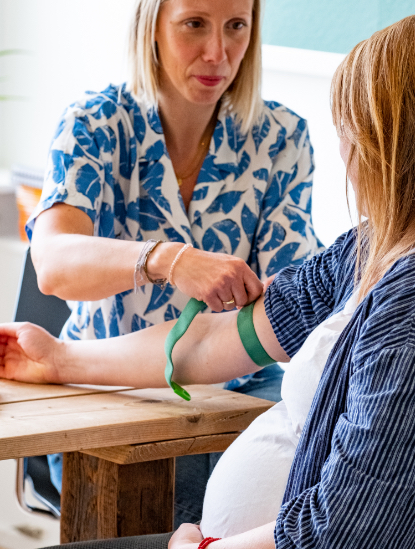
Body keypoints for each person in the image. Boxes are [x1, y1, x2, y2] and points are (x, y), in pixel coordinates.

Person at [2, 14, 415, 549]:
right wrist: (60, 360)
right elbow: (222, 337)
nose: (345, 154)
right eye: (194, 24)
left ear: (383, 140)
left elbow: (349, 530)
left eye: (348, 132)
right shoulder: (383, 249)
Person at [26, 0, 323, 524]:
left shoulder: (281, 136)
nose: (218, 53)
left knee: (322, 467)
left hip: (235, 391)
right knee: (207, 502)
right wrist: (167, 259)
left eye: (236, 28)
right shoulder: (95, 124)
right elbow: (52, 264)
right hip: (109, 388)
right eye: (194, 25)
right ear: (152, 28)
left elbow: (294, 291)